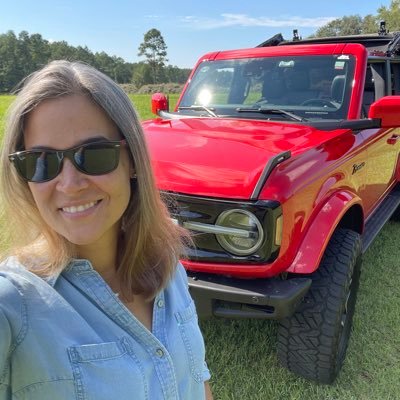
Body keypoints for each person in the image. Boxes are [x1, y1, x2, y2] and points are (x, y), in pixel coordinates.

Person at [0, 60, 213, 400]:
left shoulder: (168, 265)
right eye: (40, 161)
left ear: (131, 160)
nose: (69, 185)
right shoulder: (13, 304)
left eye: (94, 154)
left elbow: (197, 380)